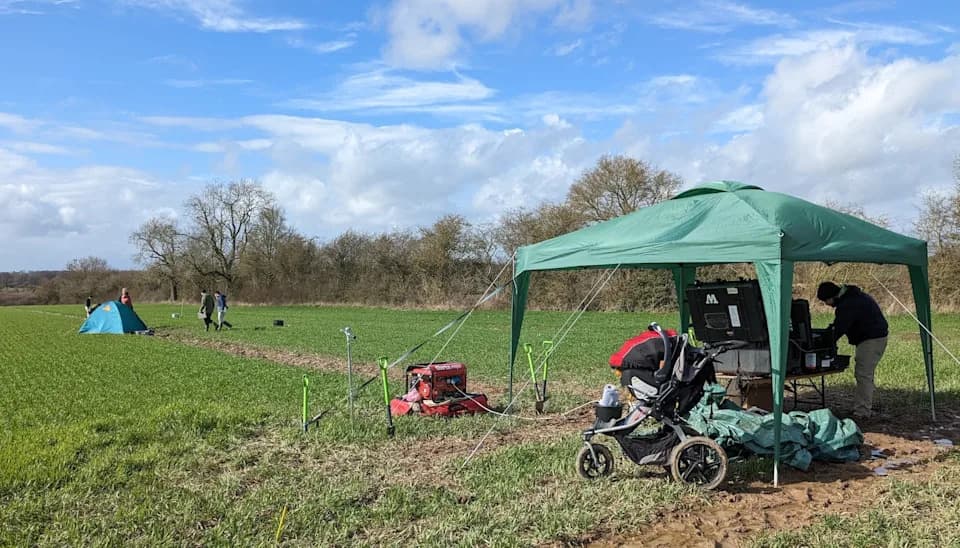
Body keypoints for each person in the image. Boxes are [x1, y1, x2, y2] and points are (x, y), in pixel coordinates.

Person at [817, 281, 889, 420]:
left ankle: (862, 412)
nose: (827, 304)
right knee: (865, 374)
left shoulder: (848, 304)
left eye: (826, 300)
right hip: (873, 338)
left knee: (863, 375)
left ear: (832, 296)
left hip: (871, 340)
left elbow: (839, 328)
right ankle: (862, 407)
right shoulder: (853, 297)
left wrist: (823, 341)